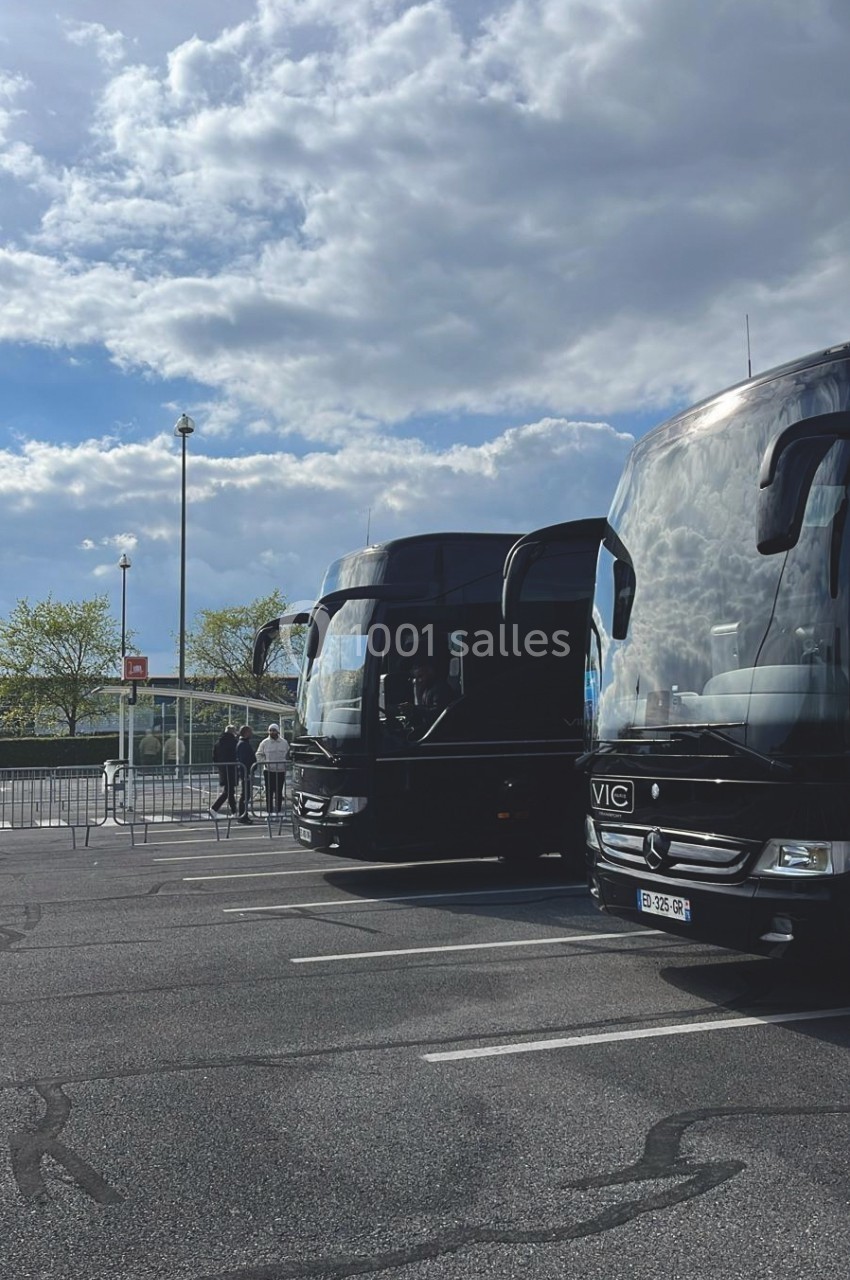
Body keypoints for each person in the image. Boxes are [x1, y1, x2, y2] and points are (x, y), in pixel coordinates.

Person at [255, 723, 289, 814]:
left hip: (280, 771)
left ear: (277, 731)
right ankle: (269, 811)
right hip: (269, 771)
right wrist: (264, 762)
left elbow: (288, 754)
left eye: (274, 730)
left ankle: (278, 811)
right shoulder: (264, 742)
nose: (272, 732)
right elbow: (258, 754)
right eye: (270, 730)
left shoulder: (284, 742)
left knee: (279, 792)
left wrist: (286, 764)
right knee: (269, 792)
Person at [210, 724, 238, 817]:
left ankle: (233, 811)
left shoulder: (219, 742)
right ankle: (215, 808)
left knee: (228, 791)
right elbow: (236, 754)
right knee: (229, 791)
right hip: (231, 768)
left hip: (223, 768)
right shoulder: (233, 742)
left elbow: (214, 757)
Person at [235, 725, 256, 824]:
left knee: (246, 795)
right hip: (246, 773)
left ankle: (244, 815)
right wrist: (247, 773)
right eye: (250, 732)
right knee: (245, 795)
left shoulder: (243, 743)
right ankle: (243, 816)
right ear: (246, 733)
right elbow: (244, 760)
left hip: (246, 772)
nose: (251, 734)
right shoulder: (243, 744)